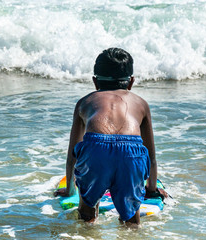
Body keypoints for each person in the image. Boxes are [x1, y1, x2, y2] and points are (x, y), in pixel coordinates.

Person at [54, 48, 167, 225]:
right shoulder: (141, 104)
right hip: (131, 154)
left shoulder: (85, 102)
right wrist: (151, 189)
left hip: (96, 151)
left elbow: (72, 157)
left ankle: (88, 224)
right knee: (130, 218)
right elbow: (151, 157)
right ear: (131, 82)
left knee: (86, 213)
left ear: (94, 82)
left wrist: (70, 190)